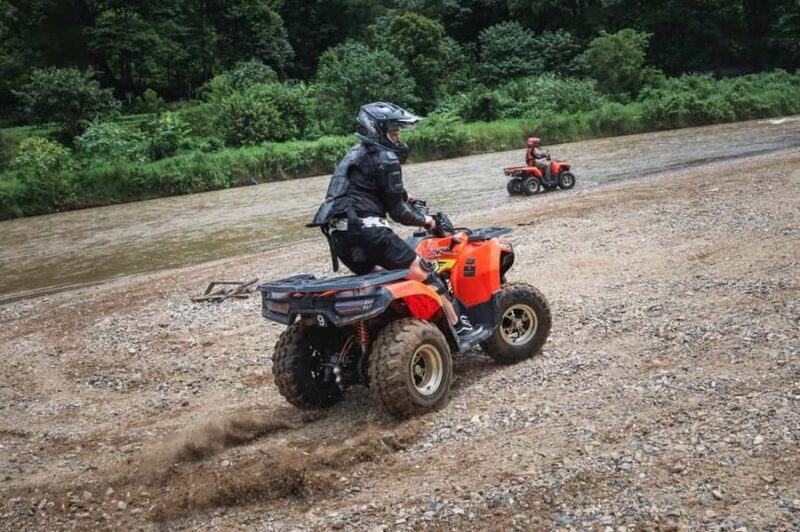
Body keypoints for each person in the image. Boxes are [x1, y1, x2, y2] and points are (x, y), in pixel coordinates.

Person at [310, 101, 480, 340]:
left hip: (339, 237)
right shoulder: (386, 157)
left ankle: (381, 330)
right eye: (393, 132)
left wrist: (408, 198)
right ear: (377, 130)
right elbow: (398, 211)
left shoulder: (353, 155)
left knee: (383, 276)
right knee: (426, 274)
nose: (398, 139)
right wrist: (428, 221)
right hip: (370, 233)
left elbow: (370, 191)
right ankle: (459, 329)